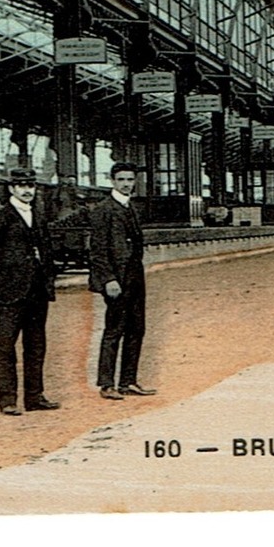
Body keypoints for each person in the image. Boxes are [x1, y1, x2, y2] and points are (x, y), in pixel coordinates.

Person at [0, 168, 60, 416]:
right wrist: (5, 279)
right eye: (21, 185)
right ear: (11, 189)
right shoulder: (1, 217)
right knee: (5, 346)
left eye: (30, 186)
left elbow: (47, 251)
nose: (27, 190)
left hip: (37, 294)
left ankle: (34, 397)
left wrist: (47, 278)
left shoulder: (38, 215)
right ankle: (7, 400)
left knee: (36, 346)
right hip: (11, 295)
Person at [88, 162, 155, 400]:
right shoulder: (103, 209)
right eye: (122, 180)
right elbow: (97, 250)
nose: (127, 184)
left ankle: (128, 381)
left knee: (137, 329)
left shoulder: (132, 208)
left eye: (130, 180)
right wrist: (108, 279)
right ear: (112, 181)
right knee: (114, 330)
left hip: (135, 277)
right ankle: (106, 384)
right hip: (116, 280)